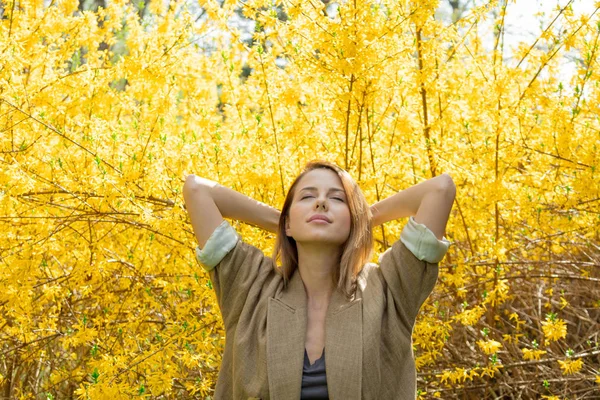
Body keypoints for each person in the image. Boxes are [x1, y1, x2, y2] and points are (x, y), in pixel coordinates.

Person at [183, 160, 455, 399]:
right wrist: (284, 223)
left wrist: (361, 220)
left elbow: (440, 189)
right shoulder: (250, 287)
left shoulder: (388, 290)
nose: (321, 202)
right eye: (307, 197)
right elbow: (197, 190)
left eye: (338, 199)